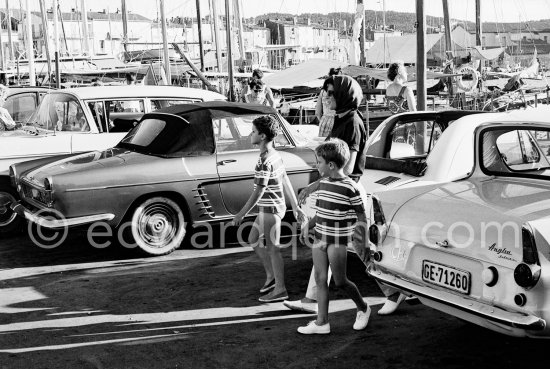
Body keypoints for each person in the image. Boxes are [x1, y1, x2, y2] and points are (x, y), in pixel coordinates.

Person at [284, 74, 371, 314]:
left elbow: (349, 167)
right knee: (326, 244)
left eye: (331, 93)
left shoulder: (352, 121)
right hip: (336, 191)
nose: (327, 96)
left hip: (345, 193)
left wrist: (317, 186)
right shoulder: (342, 118)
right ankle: (312, 300)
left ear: (344, 95)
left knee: (362, 250)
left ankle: (394, 290)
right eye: (326, 92)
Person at [297, 139, 370, 335]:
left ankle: (363, 308)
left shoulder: (350, 187)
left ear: (330, 165)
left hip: (337, 241)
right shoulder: (323, 184)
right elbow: (321, 212)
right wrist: (307, 226)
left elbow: (361, 215)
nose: (316, 165)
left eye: (318, 162)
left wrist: (363, 240)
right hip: (320, 239)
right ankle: (322, 323)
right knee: (320, 280)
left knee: (340, 281)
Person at [230, 116, 305, 303]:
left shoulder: (264, 160)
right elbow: (285, 179)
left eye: (253, 131)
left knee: (274, 249)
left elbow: (258, 192)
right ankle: (272, 277)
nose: (250, 134)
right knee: (253, 239)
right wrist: (295, 206)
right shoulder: (274, 154)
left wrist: (241, 214)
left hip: (270, 208)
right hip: (270, 207)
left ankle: (280, 289)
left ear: (262, 136)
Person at [315, 68, 341, 137]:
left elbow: (317, 112)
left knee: (324, 145)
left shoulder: (322, 92)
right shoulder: (339, 91)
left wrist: (323, 120)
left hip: (324, 120)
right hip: (337, 121)